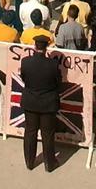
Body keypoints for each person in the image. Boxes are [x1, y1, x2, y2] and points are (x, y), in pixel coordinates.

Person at [19, 35, 62, 172]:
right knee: (47, 134)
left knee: (30, 132)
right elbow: (58, 83)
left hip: (30, 101)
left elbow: (24, 78)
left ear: (35, 46)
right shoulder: (53, 64)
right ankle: (49, 163)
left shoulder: (25, 62)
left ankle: (29, 162)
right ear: (46, 48)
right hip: (48, 103)